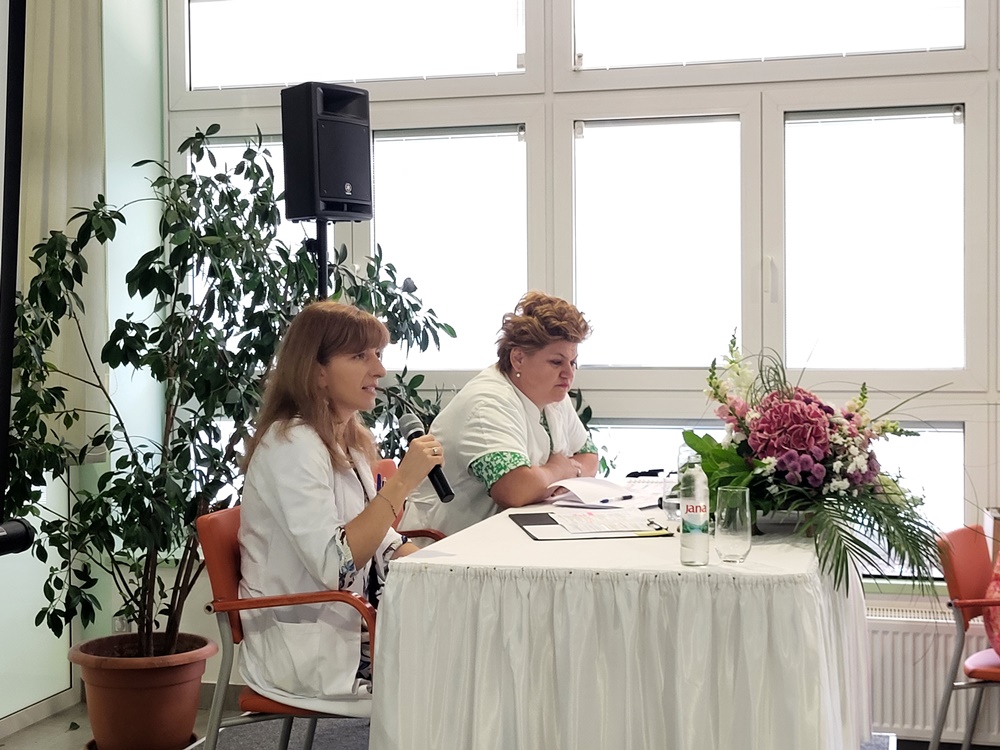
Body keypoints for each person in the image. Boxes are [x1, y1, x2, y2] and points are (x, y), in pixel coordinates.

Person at [237, 300, 444, 712]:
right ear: (317, 372)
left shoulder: (345, 438)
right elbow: (337, 566)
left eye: (378, 354)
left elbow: (376, 537)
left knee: (468, 646)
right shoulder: (292, 445)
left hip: (351, 625)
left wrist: (436, 569)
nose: (379, 370)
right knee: (457, 679)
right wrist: (402, 482)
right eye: (360, 356)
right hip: (308, 651)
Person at [398, 291, 598, 537]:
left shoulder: (553, 395)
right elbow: (515, 489)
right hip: (446, 546)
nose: (569, 373)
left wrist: (562, 475)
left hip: (504, 538)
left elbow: (589, 456)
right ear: (518, 359)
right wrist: (559, 471)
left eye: (573, 362)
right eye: (557, 362)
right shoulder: (487, 403)